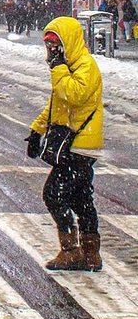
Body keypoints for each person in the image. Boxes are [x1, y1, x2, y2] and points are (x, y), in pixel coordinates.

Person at [25, 18, 104, 272]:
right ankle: (91, 255)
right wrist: (37, 129)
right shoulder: (69, 66)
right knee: (81, 198)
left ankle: (71, 251)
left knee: (54, 193)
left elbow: (73, 95)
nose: (51, 51)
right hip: (74, 143)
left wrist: (58, 68)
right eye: (48, 45)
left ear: (67, 41)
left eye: (55, 44)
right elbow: (57, 105)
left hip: (81, 144)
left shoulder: (84, 66)